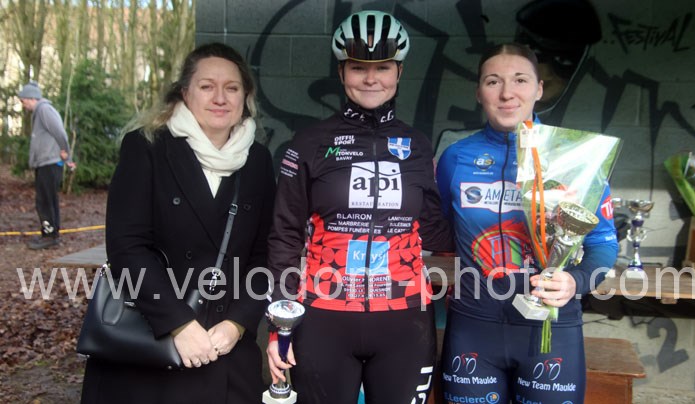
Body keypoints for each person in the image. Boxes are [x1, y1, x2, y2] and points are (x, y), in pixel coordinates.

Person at [265, 10, 454, 404]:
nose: (371, 78)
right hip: (325, 316)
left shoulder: (418, 146)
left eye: (382, 67)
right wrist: (278, 325)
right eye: (358, 67)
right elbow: (284, 235)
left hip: (405, 319)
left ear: (399, 72)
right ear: (341, 72)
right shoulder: (309, 143)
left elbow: (437, 231)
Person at [80, 42, 275, 403]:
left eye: (231, 88)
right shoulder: (147, 147)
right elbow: (127, 247)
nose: (220, 98)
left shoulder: (258, 161)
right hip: (151, 345)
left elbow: (264, 255)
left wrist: (237, 324)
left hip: (224, 350)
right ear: (185, 92)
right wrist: (178, 324)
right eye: (207, 86)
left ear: (245, 96)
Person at [436, 43, 618, 404]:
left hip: (550, 330)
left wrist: (576, 281)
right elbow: (442, 233)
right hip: (473, 327)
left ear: (539, 89)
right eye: (493, 81)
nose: (507, 93)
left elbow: (603, 242)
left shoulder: (575, 159)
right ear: (478, 92)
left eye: (520, 80)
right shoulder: (455, 158)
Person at [18, 81, 76, 250]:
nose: (23, 104)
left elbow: (60, 132)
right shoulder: (40, 111)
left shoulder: (44, 110)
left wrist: (66, 152)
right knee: (47, 199)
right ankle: (50, 233)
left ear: (31, 98)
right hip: (45, 162)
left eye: (23, 100)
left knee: (45, 200)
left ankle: (49, 236)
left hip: (49, 163)